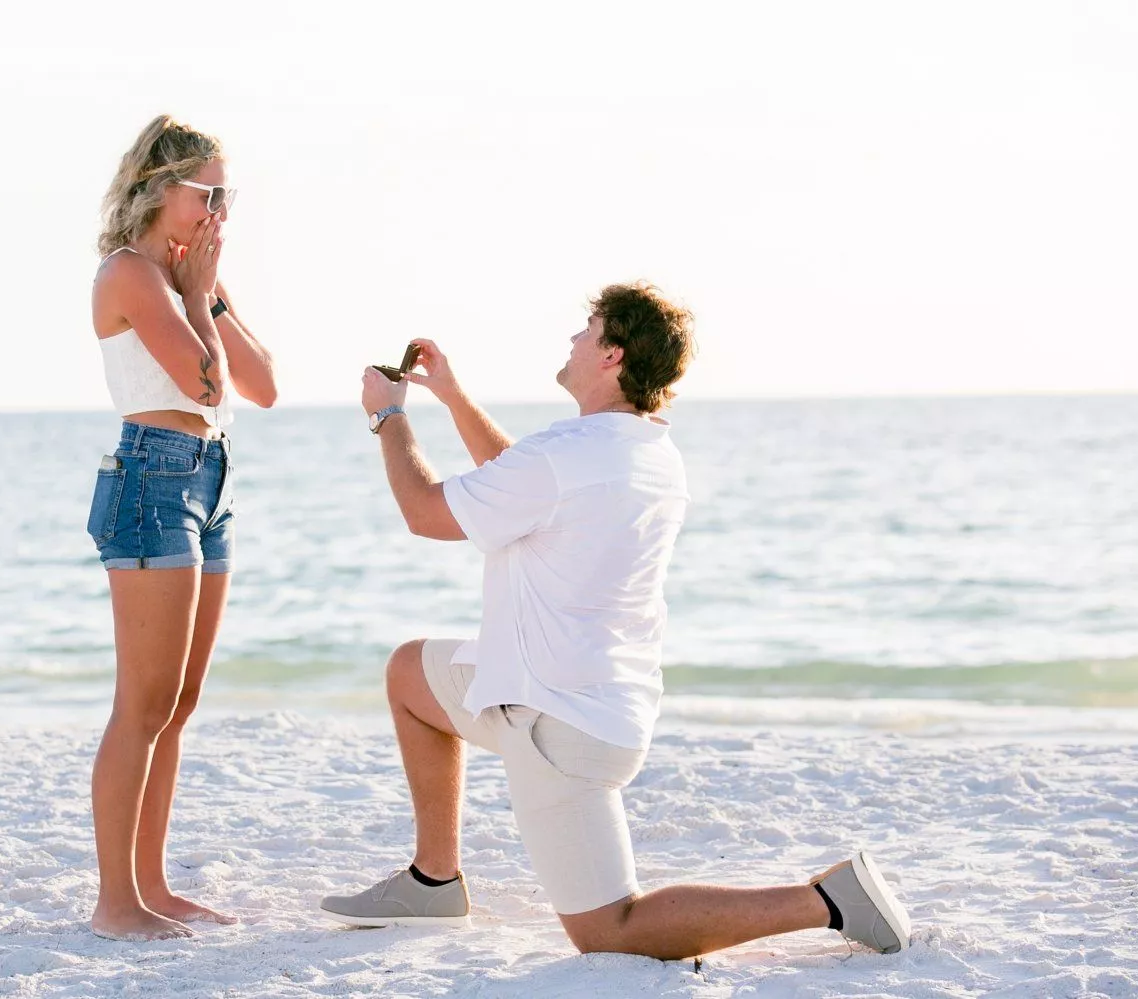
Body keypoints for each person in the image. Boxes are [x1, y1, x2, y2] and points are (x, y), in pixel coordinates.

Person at [321, 282, 911, 960]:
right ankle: (434, 879)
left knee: (610, 931)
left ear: (613, 355)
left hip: (554, 724)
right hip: (580, 697)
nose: (572, 340)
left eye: (587, 329)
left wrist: (388, 417)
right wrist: (452, 395)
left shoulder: (565, 454)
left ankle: (828, 898)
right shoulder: (643, 450)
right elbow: (527, 483)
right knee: (410, 672)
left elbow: (425, 513)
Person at [85, 114, 277, 941]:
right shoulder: (130, 273)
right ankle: (114, 900)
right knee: (144, 702)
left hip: (208, 477)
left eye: (226, 196)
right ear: (161, 191)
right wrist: (198, 296)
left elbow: (261, 384)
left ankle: (152, 885)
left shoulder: (189, 278)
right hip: (152, 475)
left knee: (181, 701)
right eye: (208, 194)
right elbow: (203, 384)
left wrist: (212, 294)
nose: (219, 213)